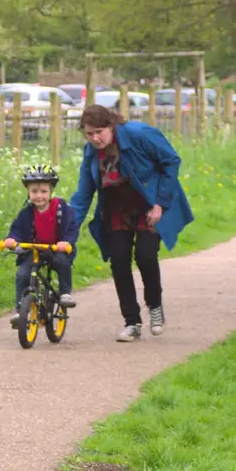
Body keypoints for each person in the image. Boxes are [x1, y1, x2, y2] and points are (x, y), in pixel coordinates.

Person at [68, 104, 193, 342]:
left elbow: (171, 161)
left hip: (149, 204)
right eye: (89, 134)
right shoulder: (91, 152)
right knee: (118, 260)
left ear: (111, 126)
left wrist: (160, 204)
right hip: (117, 208)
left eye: (99, 132)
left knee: (146, 255)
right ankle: (132, 322)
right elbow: (84, 193)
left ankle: (155, 308)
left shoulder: (139, 135)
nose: (95, 138)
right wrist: (67, 226)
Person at [1, 165, 79, 328]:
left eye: (43, 191)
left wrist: (66, 241)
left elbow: (72, 227)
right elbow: (16, 230)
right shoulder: (26, 213)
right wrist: (11, 239)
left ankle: (65, 293)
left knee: (62, 263)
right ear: (28, 192)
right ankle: (20, 310)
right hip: (34, 250)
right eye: (34, 191)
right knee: (22, 274)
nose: (39, 196)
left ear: (50, 191)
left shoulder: (62, 209)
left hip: (55, 249)